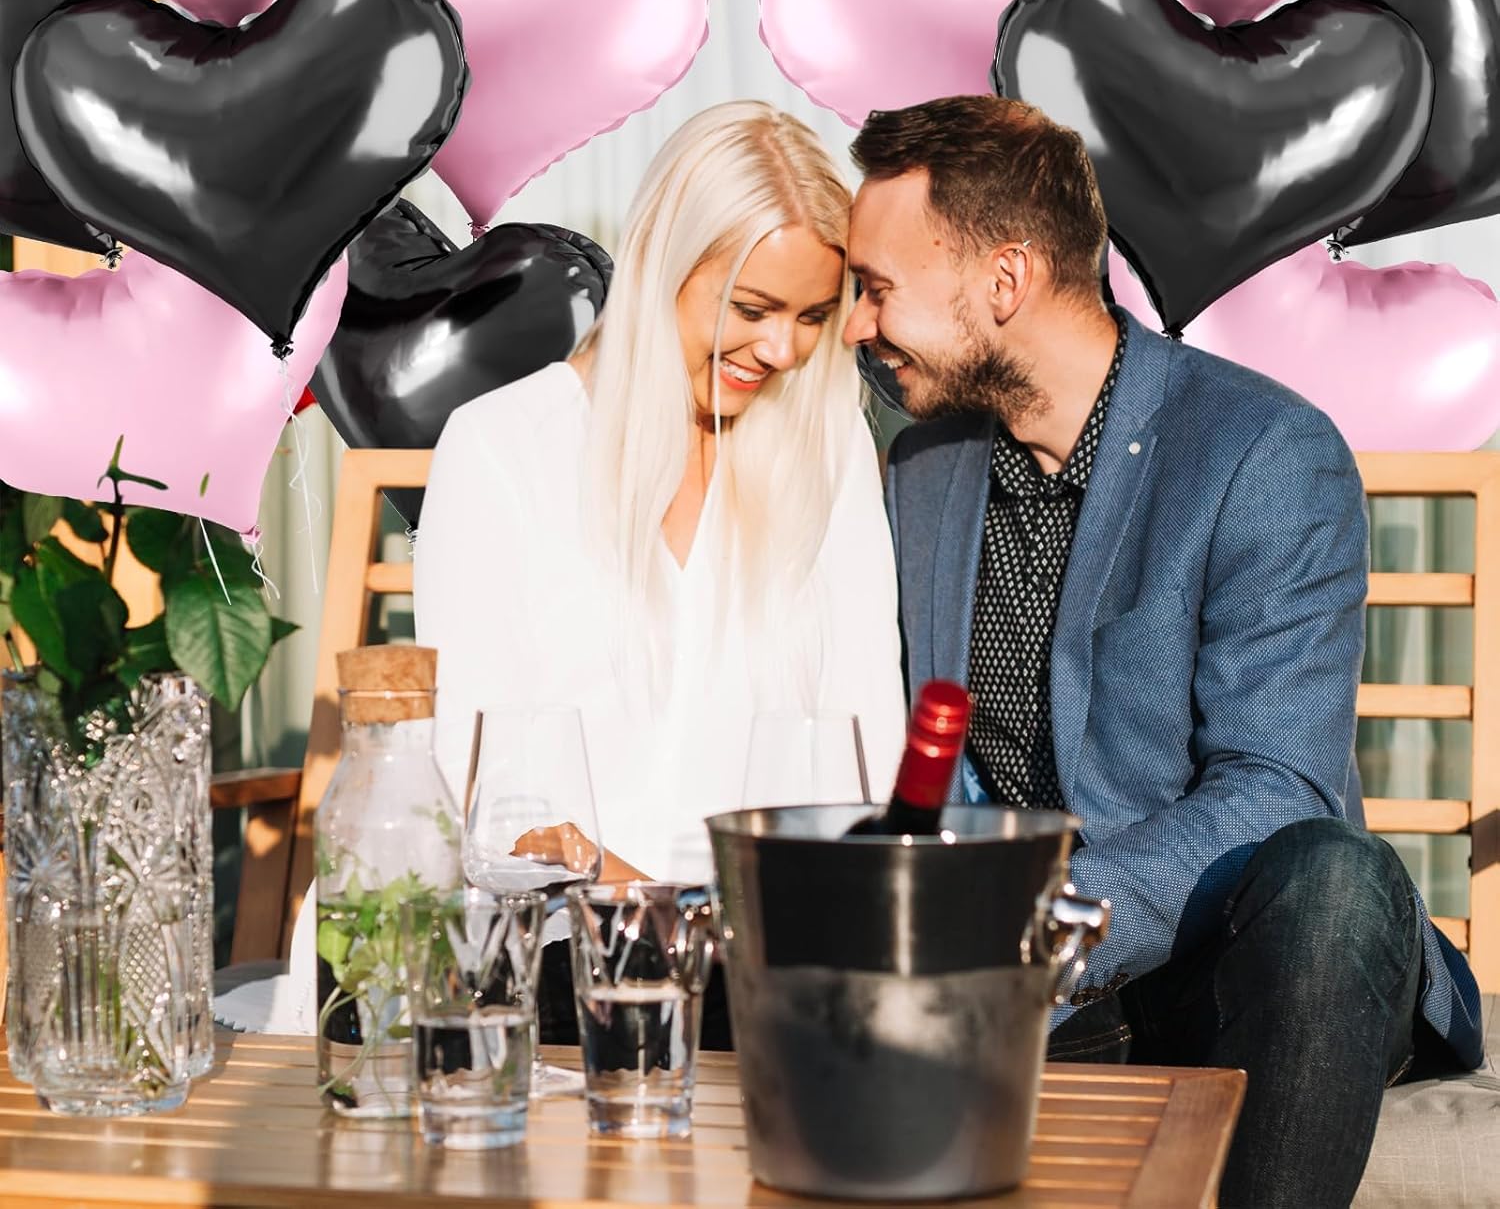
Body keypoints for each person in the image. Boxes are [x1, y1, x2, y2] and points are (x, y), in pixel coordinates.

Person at [841, 95, 1483, 1209]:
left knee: (1334, 877)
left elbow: (1275, 791)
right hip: (1038, 999)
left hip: (1245, 965)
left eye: (878, 288)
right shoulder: (925, 468)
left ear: (1005, 280)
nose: (858, 324)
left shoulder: (1262, 452)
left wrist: (1038, 925)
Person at [414, 100, 907, 1042]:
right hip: (560, 955)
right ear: (661, 270)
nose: (783, 350)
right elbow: (480, 787)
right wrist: (655, 909)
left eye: (812, 315)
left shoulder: (830, 447)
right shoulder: (503, 448)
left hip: (775, 962)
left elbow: (866, 754)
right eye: (751, 309)